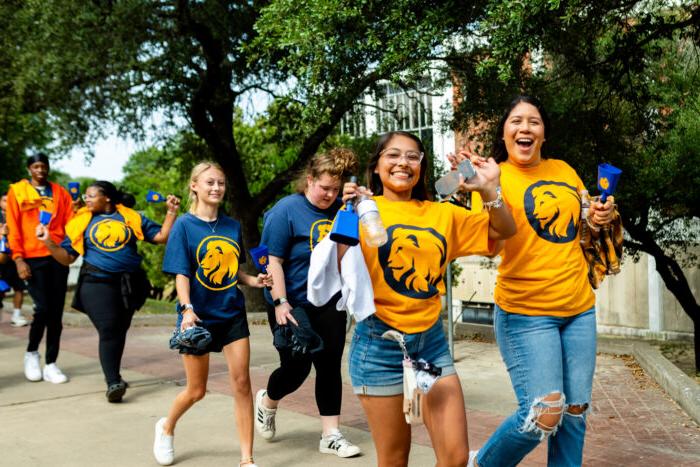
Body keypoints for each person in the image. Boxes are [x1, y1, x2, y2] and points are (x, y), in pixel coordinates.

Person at [340, 131, 516, 466]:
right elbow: (331, 270)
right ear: (376, 166)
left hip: (430, 343)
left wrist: (487, 188)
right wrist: (346, 209)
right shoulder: (361, 212)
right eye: (392, 155)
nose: (403, 163)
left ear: (421, 166)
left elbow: (504, 230)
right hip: (379, 345)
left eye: (412, 156)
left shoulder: (441, 214)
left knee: (455, 458)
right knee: (394, 459)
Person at [465, 95, 616, 467]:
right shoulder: (489, 178)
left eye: (534, 121)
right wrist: (489, 191)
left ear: (544, 133)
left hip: (578, 308)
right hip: (525, 312)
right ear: (504, 133)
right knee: (543, 414)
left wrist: (599, 214)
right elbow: (491, 245)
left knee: (575, 412)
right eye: (516, 121)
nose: (525, 128)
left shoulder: (563, 169)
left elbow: (584, 223)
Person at [155, 161, 272, 467]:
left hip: (232, 313)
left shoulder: (232, 226)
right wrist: (187, 310)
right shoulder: (183, 225)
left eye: (220, 183)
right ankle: (166, 427)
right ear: (194, 186)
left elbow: (233, 272)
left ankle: (246, 459)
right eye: (210, 183)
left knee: (242, 383)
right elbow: (181, 273)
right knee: (197, 390)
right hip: (198, 317)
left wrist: (253, 280)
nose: (217, 188)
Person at [255, 148, 362, 458]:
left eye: (335, 189)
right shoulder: (286, 210)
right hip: (292, 301)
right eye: (323, 188)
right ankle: (268, 400)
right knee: (296, 367)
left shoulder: (343, 210)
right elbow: (271, 260)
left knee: (329, 365)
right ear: (309, 180)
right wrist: (280, 302)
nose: (329, 195)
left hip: (329, 300)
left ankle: (330, 434)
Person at [35, 181, 180, 402]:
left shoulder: (130, 217)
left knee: (120, 329)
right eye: (86, 196)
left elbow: (161, 237)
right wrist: (48, 242)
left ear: (108, 198)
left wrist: (171, 212)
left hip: (129, 284)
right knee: (110, 328)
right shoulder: (81, 222)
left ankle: (115, 374)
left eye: (92, 195)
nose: (87, 199)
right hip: (96, 283)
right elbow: (66, 258)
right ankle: (113, 382)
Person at [5, 153, 74, 383]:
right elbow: (14, 226)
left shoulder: (60, 192)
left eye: (44, 166)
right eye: (36, 166)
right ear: (29, 170)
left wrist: (68, 250)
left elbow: (70, 223)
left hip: (56, 254)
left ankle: (51, 363)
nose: (40, 170)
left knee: (56, 313)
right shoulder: (17, 191)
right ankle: (31, 353)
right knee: (42, 308)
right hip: (32, 257)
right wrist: (18, 259)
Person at [0, 193, 28, 327]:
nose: (7, 203)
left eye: (9, 201)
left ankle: (16, 315)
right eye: (4, 200)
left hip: (15, 258)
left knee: (19, 287)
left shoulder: (18, 217)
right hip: (0, 259)